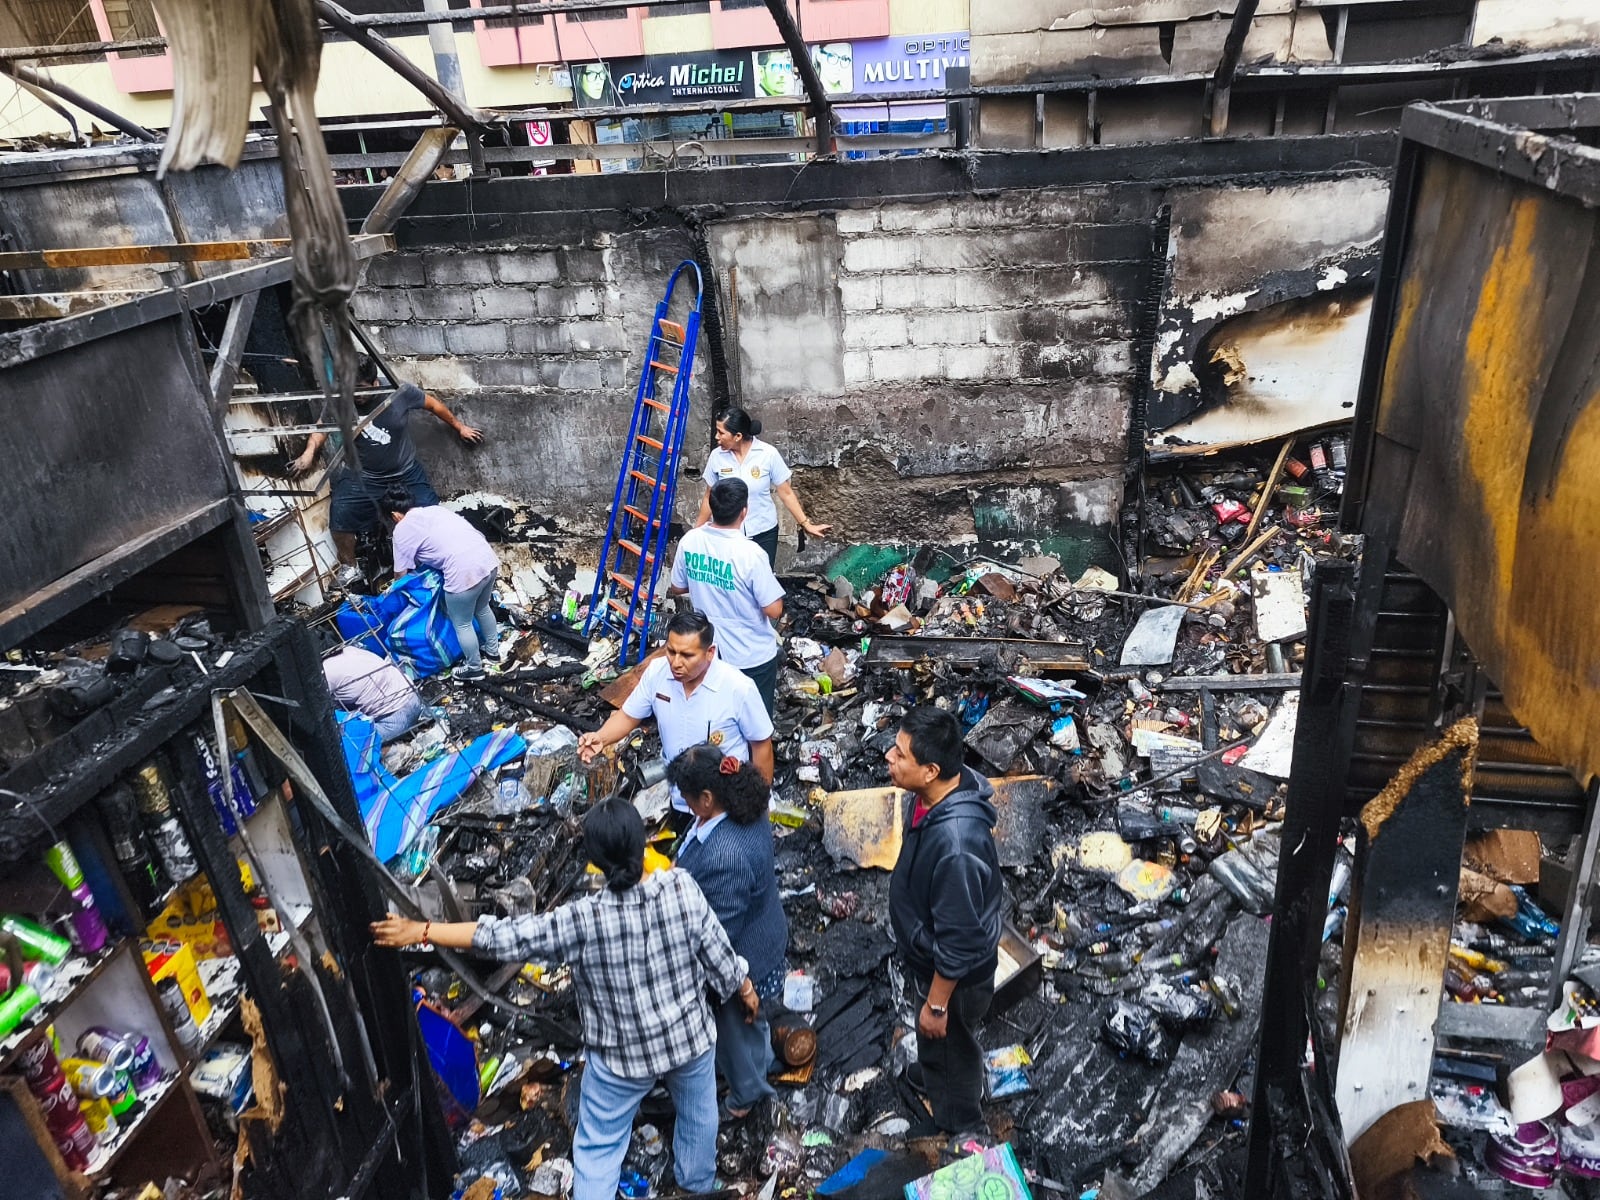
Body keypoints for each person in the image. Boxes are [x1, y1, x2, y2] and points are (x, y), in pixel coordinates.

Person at [371, 799, 758, 1200]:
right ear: (643, 844)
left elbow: (501, 937)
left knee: (599, 1145)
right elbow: (720, 957)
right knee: (699, 1115)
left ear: (595, 861)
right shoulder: (681, 888)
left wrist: (422, 931)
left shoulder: (582, 918)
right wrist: (745, 991)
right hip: (689, 1039)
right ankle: (696, 1185)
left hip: (622, 1060)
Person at [886, 706, 1003, 1135]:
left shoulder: (956, 846)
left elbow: (958, 942)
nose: (889, 758)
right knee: (941, 1045)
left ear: (931, 770)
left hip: (953, 978)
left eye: (900, 754)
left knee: (951, 1043)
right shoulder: (931, 797)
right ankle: (936, 1068)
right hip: (929, 951)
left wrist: (936, 1006)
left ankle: (959, 1119)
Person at [668, 744, 788, 1118]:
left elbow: (720, 936)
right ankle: (760, 1061)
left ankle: (746, 1096)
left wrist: (739, 984)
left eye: (686, 796)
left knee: (738, 1028)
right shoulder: (742, 807)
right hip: (762, 931)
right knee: (751, 1028)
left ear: (706, 798)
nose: (684, 803)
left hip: (744, 955)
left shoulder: (726, 856)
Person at [290, 356, 484, 582]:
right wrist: (308, 454)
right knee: (340, 517)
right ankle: (350, 567)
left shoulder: (399, 391)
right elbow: (322, 428)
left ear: (375, 383)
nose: (356, 395)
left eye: (361, 388)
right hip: (365, 475)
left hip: (405, 471)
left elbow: (433, 405)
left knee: (432, 514)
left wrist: (460, 427)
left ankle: (436, 562)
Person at [577, 611, 773, 817]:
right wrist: (600, 738)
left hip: (724, 804)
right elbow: (628, 716)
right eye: (671, 651)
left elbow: (761, 745)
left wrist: (759, 805)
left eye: (687, 655)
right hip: (680, 799)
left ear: (710, 652)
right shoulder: (657, 673)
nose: (676, 663)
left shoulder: (738, 688)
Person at [669, 478, 785, 715]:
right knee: (754, 723)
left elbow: (677, 588)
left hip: (708, 652)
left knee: (715, 719)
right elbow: (774, 610)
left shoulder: (690, 541)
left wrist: (706, 581)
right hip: (750, 654)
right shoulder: (751, 554)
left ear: (711, 507)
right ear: (744, 512)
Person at [385, 490, 503, 681]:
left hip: (463, 572)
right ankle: (493, 653)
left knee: (462, 623)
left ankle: (474, 669)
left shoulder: (402, 529)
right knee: (482, 608)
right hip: (487, 560)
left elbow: (400, 573)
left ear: (394, 515)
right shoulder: (435, 510)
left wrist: (393, 595)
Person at [697, 407, 831, 568]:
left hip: (763, 533)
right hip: (727, 535)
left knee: (762, 579)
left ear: (738, 436)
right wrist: (696, 533)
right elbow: (709, 496)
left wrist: (806, 524)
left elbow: (786, 493)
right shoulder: (716, 457)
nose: (716, 437)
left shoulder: (768, 454)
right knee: (731, 580)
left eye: (721, 432)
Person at [321, 642, 424, 741]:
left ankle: (397, 747)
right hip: (414, 698)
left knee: (339, 737)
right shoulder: (349, 649)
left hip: (394, 720)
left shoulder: (326, 672)